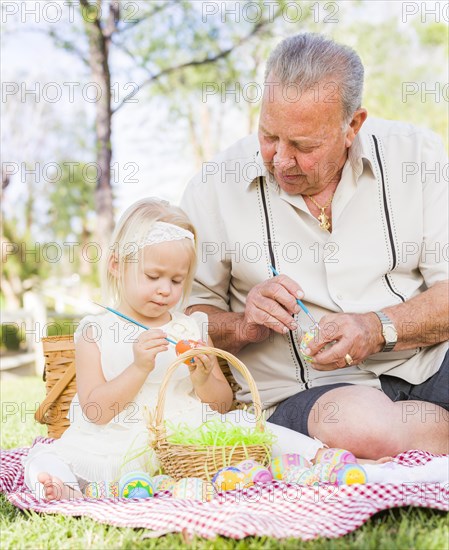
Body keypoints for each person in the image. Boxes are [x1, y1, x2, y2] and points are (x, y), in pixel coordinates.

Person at [181, 33, 449, 460]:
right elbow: (183, 321)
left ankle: (417, 439)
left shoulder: (417, 155)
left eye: (303, 146)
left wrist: (376, 327)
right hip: (312, 396)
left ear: (352, 126)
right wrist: (243, 325)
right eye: (269, 136)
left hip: (430, 364)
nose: (281, 160)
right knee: (365, 428)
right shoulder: (215, 186)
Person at [23, 198, 325, 501]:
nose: (165, 289)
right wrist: (138, 368)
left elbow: (221, 405)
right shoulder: (95, 331)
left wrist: (203, 378)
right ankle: (62, 487)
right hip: (120, 438)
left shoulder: (190, 327)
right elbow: (95, 411)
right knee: (44, 458)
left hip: (186, 437)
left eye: (177, 280)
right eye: (153, 276)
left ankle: (323, 459)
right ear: (116, 265)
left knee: (250, 424)